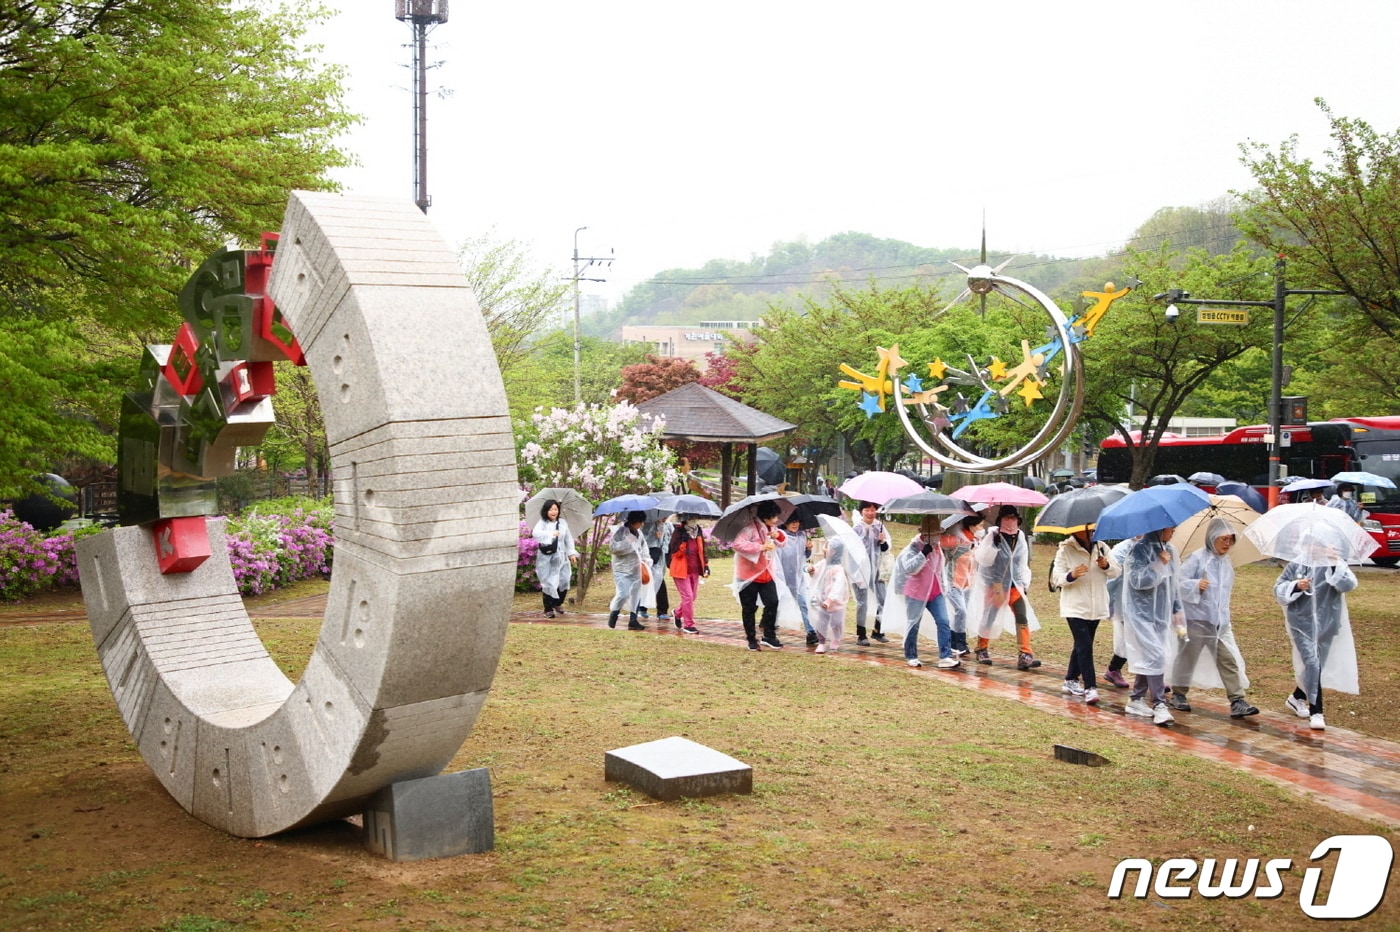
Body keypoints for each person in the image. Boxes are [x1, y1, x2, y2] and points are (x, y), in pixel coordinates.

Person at [1169, 518, 1260, 718]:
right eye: (1223, 539)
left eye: (1230, 540)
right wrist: (1194, 585)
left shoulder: (1225, 563)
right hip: (1196, 620)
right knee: (1187, 658)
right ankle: (1178, 694)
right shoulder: (1197, 558)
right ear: (1212, 538)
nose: (1227, 544)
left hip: (1218, 623)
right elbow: (1177, 584)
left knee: (1228, 659)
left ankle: (1237, 700)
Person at [1275, 551, 1360, 732]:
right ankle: (1316, 711)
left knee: (1318, 666)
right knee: (1313, 663)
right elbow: (1278, 588)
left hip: (1328, 623)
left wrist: (1334, 564)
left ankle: (1297, 697)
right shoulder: (1297, 564)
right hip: (1301, 623)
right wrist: (1296, 586)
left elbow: (1349, 585)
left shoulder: (1336, 562)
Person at [1121, 527, 1183, 726]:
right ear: (1158, 529)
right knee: (1157, 655)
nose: (1173, 531)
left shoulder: (1170, 550)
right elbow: (1137, 581)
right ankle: (1159, 704)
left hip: (1161, 615)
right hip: (1140, 614)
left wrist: (1176, 608)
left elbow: (1173, 583)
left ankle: (1136, 698)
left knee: (1150, 657)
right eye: (1169, 528)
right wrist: (1157, 564)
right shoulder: (1139, 550)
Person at [1051, 526, 1119, 705]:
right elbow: (1056, 578)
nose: (1092, 532)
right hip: (1075, 606)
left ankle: (1070, 679)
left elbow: (1117, 571)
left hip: (1096, 606)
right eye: (1088, 528)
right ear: (1076, 530)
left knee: (1082, 645)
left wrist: (1106, 565)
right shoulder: (1065, 549)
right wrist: (1071, 575)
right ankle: (1090, 687)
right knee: (1085, 645)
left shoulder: (1102, 547)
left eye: (1094, 529)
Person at [968, 505, 1040, 669]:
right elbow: (983, 560)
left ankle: (1025, 653)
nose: (1010, 521)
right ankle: (981, 648)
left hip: (1015, 584)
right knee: (990, 616)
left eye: (1013, 518)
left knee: (1022, 616)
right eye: (1007, 517)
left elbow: (1022, 561)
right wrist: (993, 546)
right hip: (996, 584)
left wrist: (1024, 582)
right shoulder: (992, 536)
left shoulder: (1020, 536)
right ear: (1000, 520)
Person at [892, 532, 960, 669]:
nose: (936, 537)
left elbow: (939, 569)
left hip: (935, 592)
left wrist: (944, 586)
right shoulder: (913, 547)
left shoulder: (937, 547)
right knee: (914, 623)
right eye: (932, 534)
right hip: (916, 592)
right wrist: (923, 554)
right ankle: (911, 655)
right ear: (924, 534)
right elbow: (910, 568)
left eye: (937, 534)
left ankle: (945, 656)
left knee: (943, 621)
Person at [731, 500, 787, 651]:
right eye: (773, 517)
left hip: (767, 573)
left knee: (773, 602)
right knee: (749, 608)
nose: (776, 520)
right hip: (748, 575)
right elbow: (737, 544)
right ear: (764, 516)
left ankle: (769, 635)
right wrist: (760, 547)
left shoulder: (772, 528)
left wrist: (778, 536)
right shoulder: (749, 529)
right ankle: (751, 639)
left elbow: (782, 542)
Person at [938, 511, 984, 657]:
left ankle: (960, 643)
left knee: (962, 613)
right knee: (961, 610)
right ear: (971, 525)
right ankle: (956, 641)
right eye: (979, 525)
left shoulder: (976, 541)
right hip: (952, 582)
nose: (982, 528)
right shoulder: (956, 539)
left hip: (967, 583)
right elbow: (935, 542)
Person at [851, 501, 890, 646]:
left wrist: (882, 541)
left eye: (873, 510)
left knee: (883, 600)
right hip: (860, 570)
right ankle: (861, 635)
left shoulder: (879, 527)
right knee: (863, 602)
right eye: (867, 510)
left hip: (877, 568)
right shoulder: (856, 529)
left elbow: (885, 549)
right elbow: (851, 550)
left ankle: (878, 630)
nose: (870, 513)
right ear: (862, 511)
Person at [774, 515, 818, 645]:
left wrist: (808, 549)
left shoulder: (801, 536)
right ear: (785, 523)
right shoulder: (781, 537)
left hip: (798, 578)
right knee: (776, 604)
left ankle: (811, 632)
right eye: (792, 522)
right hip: (783, 576)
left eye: (797, 521)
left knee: (804, 603)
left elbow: (803, 556)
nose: (795, 524)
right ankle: (769, 627)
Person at [1101, 536, 1138, 688]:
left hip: (1137, 602)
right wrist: (1109, 602)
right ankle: (1114, 669)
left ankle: (1114, 669)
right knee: (1136, 638)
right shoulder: (1122, 550)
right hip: (1122, 601)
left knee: (1131, 638)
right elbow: (1112, 578)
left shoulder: (1150, 547)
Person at [532, 499, 578, 618]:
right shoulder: (542, 522)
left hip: (561, 556)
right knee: (549, 582)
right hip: (547, 557)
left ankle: (557, 603)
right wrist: (551, 534)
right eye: (551, 509)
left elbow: (568, 538)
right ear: (546, 511)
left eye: (555, 509)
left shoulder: (562, 522)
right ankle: (548, 608)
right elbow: (536, 534)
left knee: (564, 579)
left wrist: (571, 553)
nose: (553, 512)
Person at [607, 510, 650, 631]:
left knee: (637, 594)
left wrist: (646, 559)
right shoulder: (620, 532)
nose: (641, 525)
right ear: (634, 522)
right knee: (623, 593)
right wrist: (629, 544)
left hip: (636, 568)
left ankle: (633, 620)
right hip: (622, 569)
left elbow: (643, 547)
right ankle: (613, 615)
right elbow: (614, 548)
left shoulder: (639, 533)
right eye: (639, 522)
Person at [808, 538, 850, 654]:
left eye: (828, 547)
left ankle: (836, 638)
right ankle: (821, 642)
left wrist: (830, 600)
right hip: (822, 599)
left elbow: (838, 587)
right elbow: (815, 571)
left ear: (835, 551)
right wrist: (810, 570)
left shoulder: (838, 569)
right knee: (821, 621)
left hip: (835, 602)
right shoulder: (823, 564)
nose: (825, 549)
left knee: (836, 622)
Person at [667, 517, 709, 633]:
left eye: (695, 518)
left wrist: (705, 565)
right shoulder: (679, 532)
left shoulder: (698, 531)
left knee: (693, 596)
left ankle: (677, 613)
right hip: (681, 570)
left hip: (694, 569)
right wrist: (684, 542)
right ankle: (689, 624)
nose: (694, 521)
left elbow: (702, 550)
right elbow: (675, 553)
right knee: (688, 597)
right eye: (691, 519)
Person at [638, 514, 673, 624]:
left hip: (661, 558)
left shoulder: (668, 525)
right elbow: (642, 539)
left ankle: (658, 610)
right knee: (650, 581)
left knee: (658, 580)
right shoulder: (648, 524)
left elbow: (670, 540)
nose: (665, 518)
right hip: (649, 557)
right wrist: (654, 534)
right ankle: (645, 607)